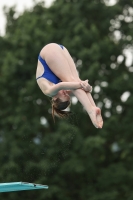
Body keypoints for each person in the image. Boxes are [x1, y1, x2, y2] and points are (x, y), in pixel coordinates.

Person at [36, 43, 103, 128]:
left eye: (64, 95)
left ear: (55, 98)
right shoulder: (63, 92)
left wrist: (82, 85)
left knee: (72, 81)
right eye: (67, 95)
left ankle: (90, 111)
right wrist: (88, 88)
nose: (66, 92)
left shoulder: (49, 91)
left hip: (48, 52)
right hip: (61, 49)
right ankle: (94, 108)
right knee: (76, 80)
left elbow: (63, 85)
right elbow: (80, 86)